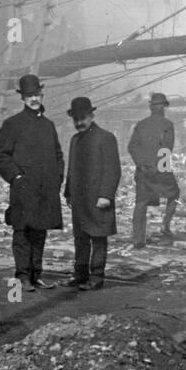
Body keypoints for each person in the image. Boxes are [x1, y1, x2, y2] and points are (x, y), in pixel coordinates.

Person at [0, 74, 64, 292]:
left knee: (40, 232)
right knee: (22, 233)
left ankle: (36, 276)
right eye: (29, 95)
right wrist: (17, 177)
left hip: (45, 189)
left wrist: (57, 178)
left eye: (37, 94)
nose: (34, 99)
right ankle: (22, 277)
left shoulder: (48, 125)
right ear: (22, 98)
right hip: (24, 189)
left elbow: (58, 155)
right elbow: (0, 156)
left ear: (41, 95)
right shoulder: (12, 124)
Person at [63, 97, 121, 290]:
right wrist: (68, 192)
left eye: (83, 118)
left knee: (98, 238)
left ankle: (96, 278)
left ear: (91, 115)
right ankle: (80, 275)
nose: (79, 123)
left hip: (98, 199)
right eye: (76, 119)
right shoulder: (75, 140)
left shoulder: (106, 137)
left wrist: (106, 195)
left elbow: (113, 170)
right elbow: (71, 169)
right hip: (79, 200)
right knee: (80, 239)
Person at [128, 91, 179, 249]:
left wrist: (143, 165)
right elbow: (166, 149)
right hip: (160, 170)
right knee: (175, 194)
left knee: (141, 203)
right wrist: (159, 169)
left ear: (151, 107)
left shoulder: (141, 124)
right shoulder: (167, 125)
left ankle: (138, 239)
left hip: (143, 171)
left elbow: (132, 147)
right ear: (163, 107)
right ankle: (165, 227)